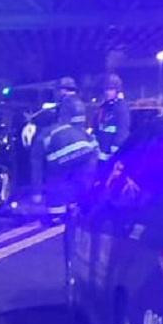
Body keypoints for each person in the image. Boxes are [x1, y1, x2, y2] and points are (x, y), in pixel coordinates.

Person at [30, 77, 99, 220]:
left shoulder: (65, 105)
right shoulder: (79, 103)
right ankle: (77, 208)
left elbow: (36, 166)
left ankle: (56, 215)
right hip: (84, 145)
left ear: (62, 90)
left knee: (55, 180)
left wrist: (36, 193)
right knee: (77, 180)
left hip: (65, 147)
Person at [96, 73, 131, 162]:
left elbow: (122, 130)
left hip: (111, 153)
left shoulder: (121, 107)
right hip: (101, 150)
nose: (107, 92)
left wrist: (115, 149)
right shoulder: (104, 107)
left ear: (117, 91)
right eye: (105, 89)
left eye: (110, 89)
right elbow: (97, 126)